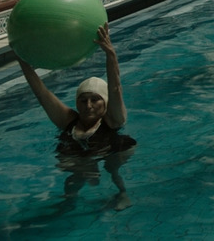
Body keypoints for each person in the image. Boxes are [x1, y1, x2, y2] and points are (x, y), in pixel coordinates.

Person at [18, 24, 135, 209]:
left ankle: (122, 193)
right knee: (68, 163)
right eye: (83, 100)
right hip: (84, 154)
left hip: (114, 150)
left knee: (111, 167)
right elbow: (41, 93)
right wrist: (21, 58)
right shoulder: (68, 119)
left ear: (105, 104)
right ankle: (69, 198)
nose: (88, 105)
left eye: (95, 100)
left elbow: (115, 88)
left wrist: (110, 54)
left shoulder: (112, 120)